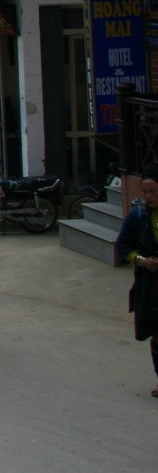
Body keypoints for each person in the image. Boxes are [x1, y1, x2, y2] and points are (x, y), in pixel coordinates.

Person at [113, 166, 158, 396]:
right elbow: (122, 246)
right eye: (145, 191)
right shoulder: (137, 216)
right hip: (150, 283)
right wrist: (141, 260)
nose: (148, 196)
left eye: (153, 191)